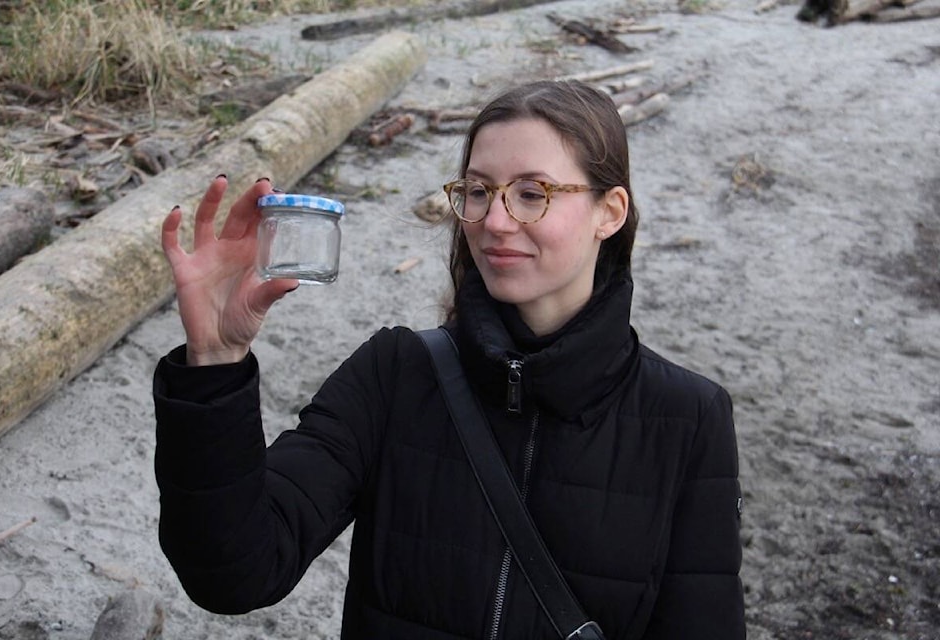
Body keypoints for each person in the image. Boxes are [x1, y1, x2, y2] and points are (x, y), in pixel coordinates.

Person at [153, 79, 745, 639]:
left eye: (533, 194)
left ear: (609, 213)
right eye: (480, 191)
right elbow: (234, 573)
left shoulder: (687, 420)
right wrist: (217, 361)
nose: (493, 221)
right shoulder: (395, 374)